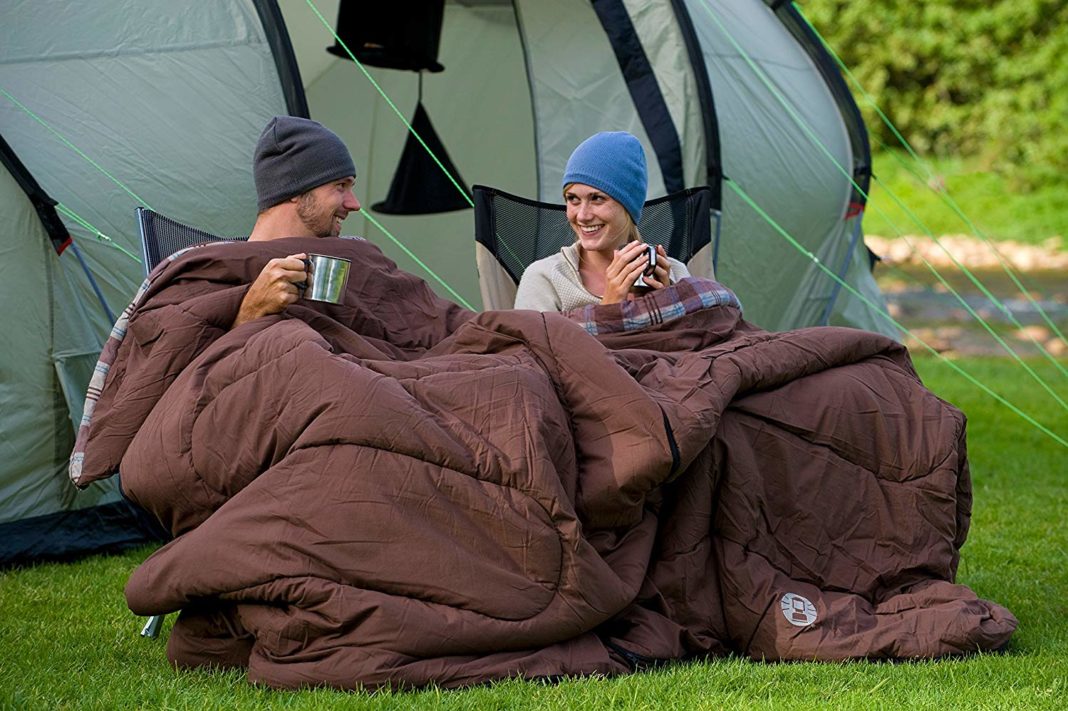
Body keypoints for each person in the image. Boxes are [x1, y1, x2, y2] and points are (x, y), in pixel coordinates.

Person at [512, 131, 690, 312]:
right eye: (572, 199)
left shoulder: (676, 274)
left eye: (597, 198)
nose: (582, 216)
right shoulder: (546, 279)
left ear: (628, 205)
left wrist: (668, 307)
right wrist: (609, 308)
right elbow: (537, 341)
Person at [232, 115, 362, 328]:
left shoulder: (348, 258)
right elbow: (178, 354)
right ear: (294, 187)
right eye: (340, 186)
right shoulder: (210, 269)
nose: (355, 204)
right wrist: (250, 311)